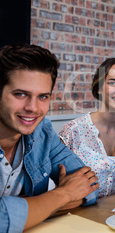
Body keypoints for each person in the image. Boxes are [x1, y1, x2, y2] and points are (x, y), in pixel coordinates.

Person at [0, 44, 99, 232]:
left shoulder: (42, 132)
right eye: (21, 94)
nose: (33, 108)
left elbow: (90, 185)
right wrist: (65, 194)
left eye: (43, 96)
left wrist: (40, 206)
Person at [59, 58, 115, 198]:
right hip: (82, 217)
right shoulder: (71, 132)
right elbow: (59, 192)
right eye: (113, 83)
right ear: (99, 87)